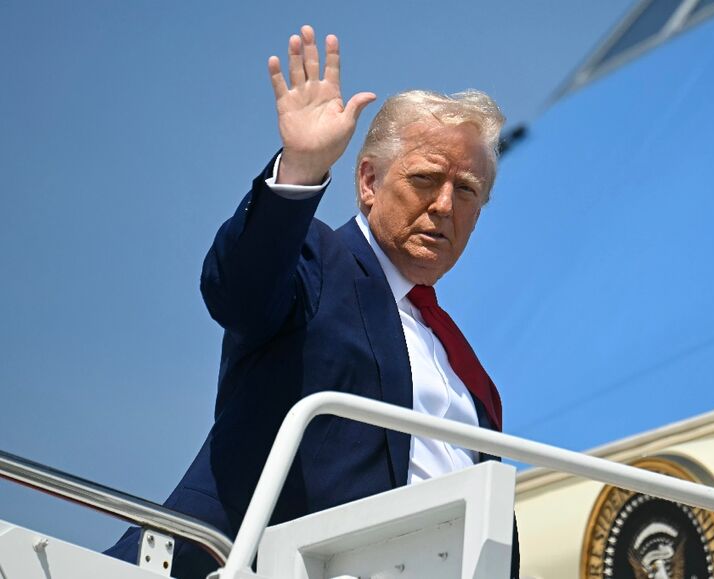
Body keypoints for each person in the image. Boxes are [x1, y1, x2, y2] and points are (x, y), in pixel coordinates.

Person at [107, 25, 518, 578]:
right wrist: (299, 170)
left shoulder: (464, 367)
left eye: (466, 189)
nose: (444, 205)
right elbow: (237, 290)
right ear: (368, 182)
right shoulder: (315, 261)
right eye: (425, 179)